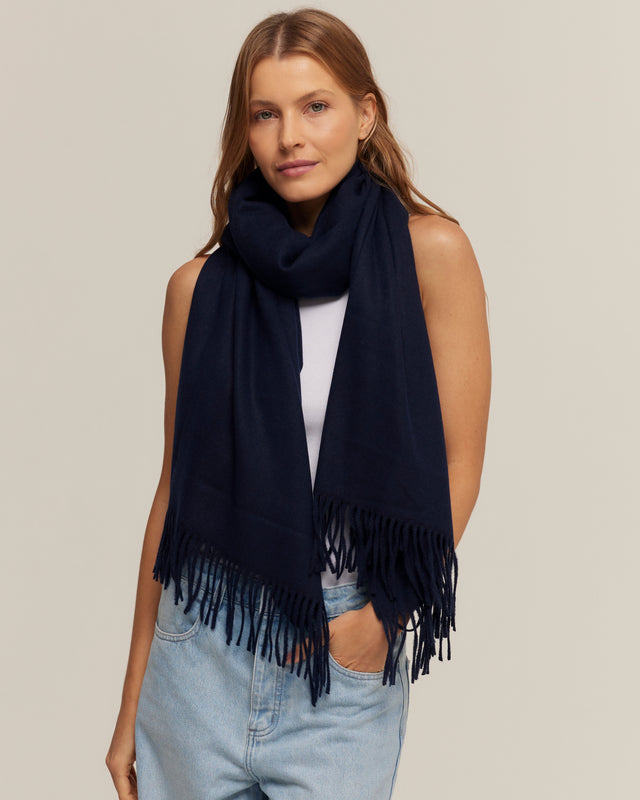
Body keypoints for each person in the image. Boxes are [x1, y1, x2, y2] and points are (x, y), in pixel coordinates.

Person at [105, 7, 491, 800]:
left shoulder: (431, 255)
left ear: (365, 114)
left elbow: (459, 463)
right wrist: (131, 697)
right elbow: (175, 493)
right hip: (202, 646)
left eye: (316, 106)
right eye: (265, 114)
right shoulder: (197, 290)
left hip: (340, 654)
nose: (291, 138)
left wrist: (379, 620)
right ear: (244, 132)